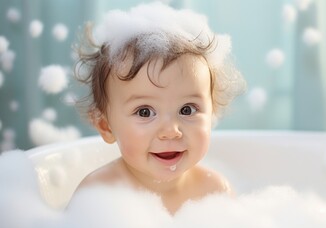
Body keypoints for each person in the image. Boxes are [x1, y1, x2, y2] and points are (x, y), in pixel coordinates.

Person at [74, 2, 245, 214]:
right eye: (144, 112)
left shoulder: (214, 192)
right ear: (105, 126)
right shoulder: (98, 196)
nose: (171, 131)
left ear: (212, 114)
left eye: (187, 110)